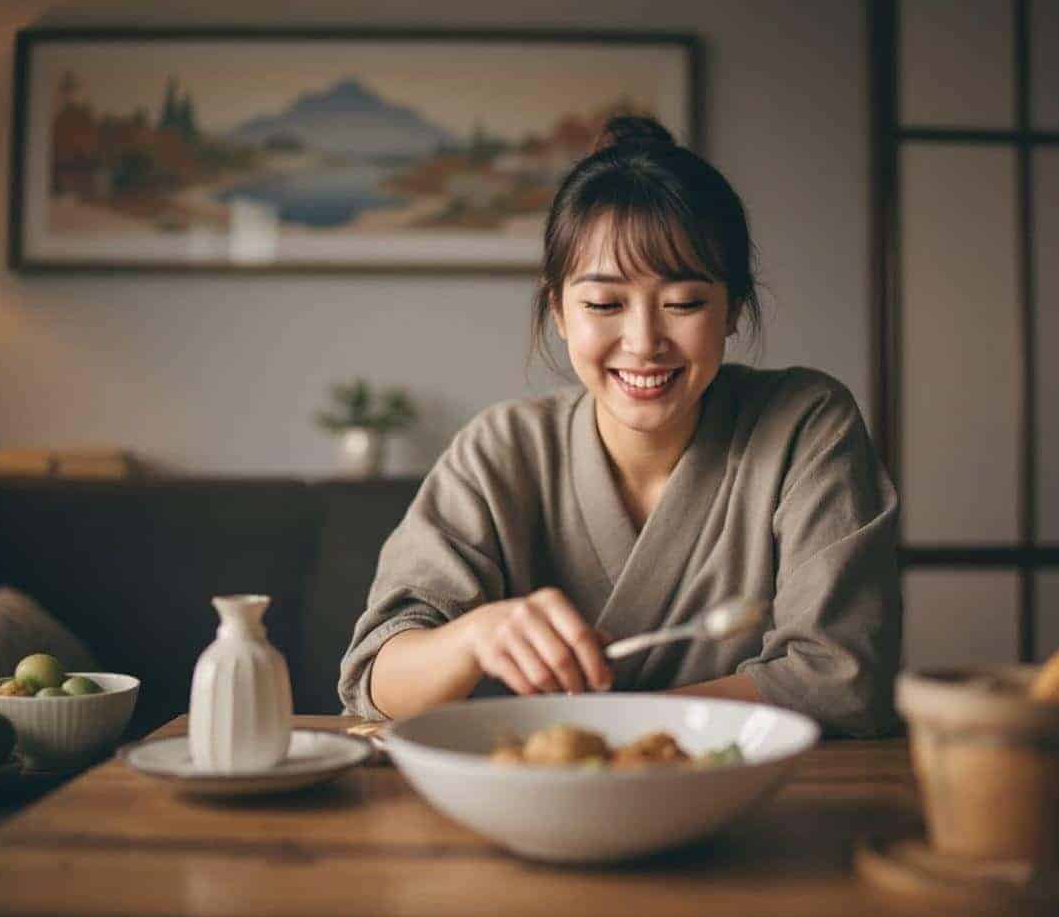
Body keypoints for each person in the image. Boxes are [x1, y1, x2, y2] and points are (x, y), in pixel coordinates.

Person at [338, 115, 901, 736]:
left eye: (683, 303)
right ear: (557, 309)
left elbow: (841, 680)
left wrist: (607, 728)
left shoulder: (805, 426)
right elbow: (378, 680)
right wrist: (475, 636)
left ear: (733, 309)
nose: (643, 343)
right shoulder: (501, 450)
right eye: (603, 304)